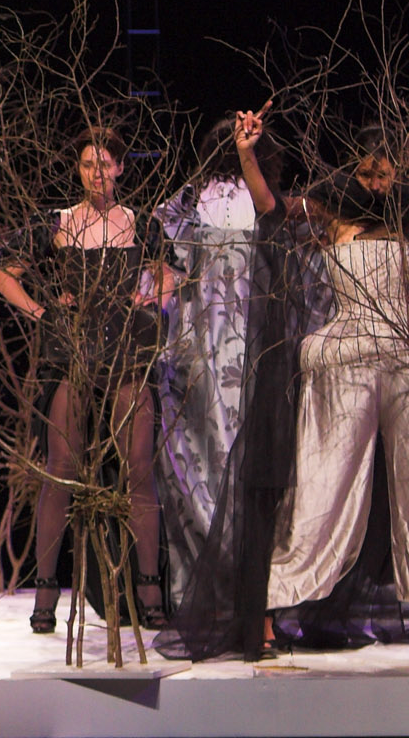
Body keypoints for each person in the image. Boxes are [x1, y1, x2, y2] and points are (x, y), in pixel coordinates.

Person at [234, 107, 409, 657]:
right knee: (322, 479)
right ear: (353, 169)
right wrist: (247, 154)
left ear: (398, 172)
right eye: (368, 173)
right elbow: (271, 208)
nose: (376, 183)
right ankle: (273, 601)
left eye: (385, 174)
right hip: (350, 348)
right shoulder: (331, 211)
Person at [0, 128, 177, 635]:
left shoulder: (141, 224)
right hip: (74, 354)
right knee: (60, 469)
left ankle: (149, 588)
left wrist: (151, 301)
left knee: (138, 469)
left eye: (105, 164)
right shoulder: (59, 223)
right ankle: (46, 592)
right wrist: (43, 313)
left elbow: (169, 273)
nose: (96, 173)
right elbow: (3, 274)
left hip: (125, 354)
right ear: (78, 170)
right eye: (87, 165)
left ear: (120, 167)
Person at [155, 121, 273, 606]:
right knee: (197, 449)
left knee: (241, 445)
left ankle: (247, 576)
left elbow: (274, 222)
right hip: (201, 337)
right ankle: (207, 579)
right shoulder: (187, 200)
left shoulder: (259, 197)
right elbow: (165, 267)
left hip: (248, 338)